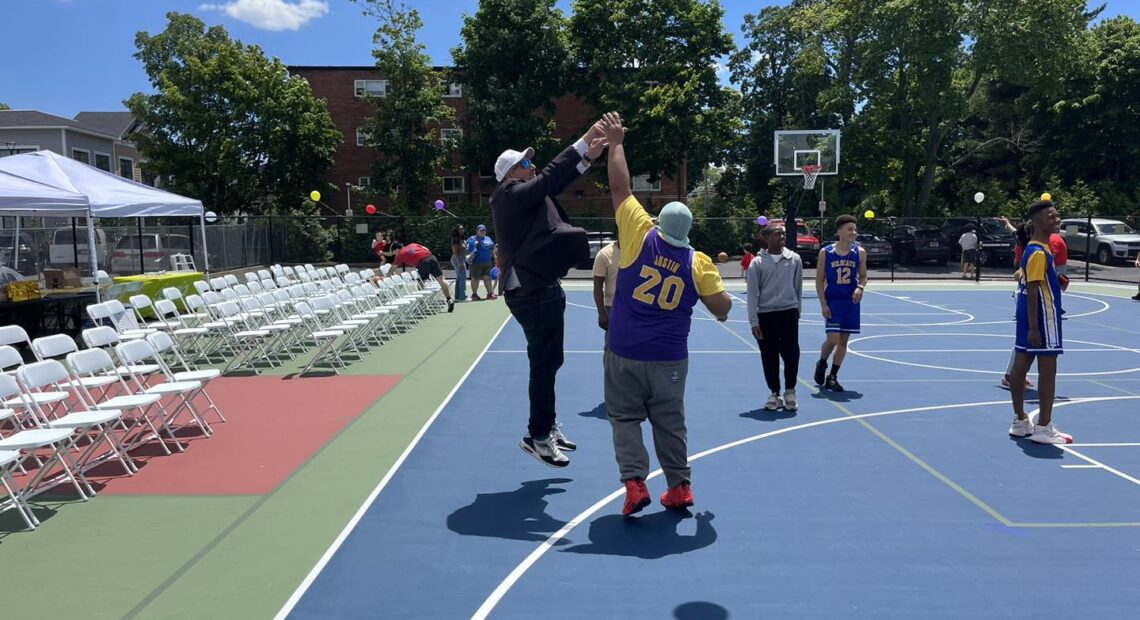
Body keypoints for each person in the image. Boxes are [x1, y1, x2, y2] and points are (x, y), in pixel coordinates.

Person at [600, 112, 731, 516]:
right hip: (670, 357)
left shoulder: (639, 233)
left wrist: (617, 142)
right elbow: (723, 310)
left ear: (659, 223)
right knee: (670, 422)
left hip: (624, 350)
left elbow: (620, 185)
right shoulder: (698, 261)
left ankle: (635, 481)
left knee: (624, 418)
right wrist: (707, 287)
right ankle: (680, 487)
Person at [491, 120, 606, 467]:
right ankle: (538, 436)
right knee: (544, 363)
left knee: (550, 362)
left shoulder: (523, 198)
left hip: (541, 286)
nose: (533, 167)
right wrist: (583, 142)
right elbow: (553, 175)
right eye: (526, 164)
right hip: (532, 291)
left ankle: (545, 426)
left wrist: (586, 161)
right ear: (510, 174)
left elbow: (558, 179)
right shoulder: (508, 196)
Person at [1008, 199, 1071, 444]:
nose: (1055, 219)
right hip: (1043, 318)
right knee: (1047, 370)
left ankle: (1021, 421)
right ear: (1035, 223)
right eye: (1050, 217)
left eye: (1056, 215)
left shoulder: (1034, 251)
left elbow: (1025, 278)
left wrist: (1054, 279)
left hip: (1028, 316)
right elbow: (1033, 289)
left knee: (1020, 363)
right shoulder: (1038, 252)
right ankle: (1044, 427)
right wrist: (1035, 327)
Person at [746, 223, 803, 411]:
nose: (782, 236)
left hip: (788, 313)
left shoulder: (794, 259)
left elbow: (798, 288)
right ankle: (774, 393)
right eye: (777, 233)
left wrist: (796, 312)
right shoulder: (757, 263)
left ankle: (790, 391)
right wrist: (754, 321)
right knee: (769, 355)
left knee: (791, 353)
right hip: (766, 315)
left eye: (783, 234)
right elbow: (753, 294)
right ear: (766, 237)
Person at [814, 214, 867, 392]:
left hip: (850, 302)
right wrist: (823, 304)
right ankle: (822, 363)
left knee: (843, 340)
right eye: (850, 229)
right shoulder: (826, 252)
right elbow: (819, 280)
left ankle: (833, 376)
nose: (854, 232)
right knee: (833, 339)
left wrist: (860, 287)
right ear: (840, 231)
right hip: (833, 301)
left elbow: (864, 275)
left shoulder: (859, 252)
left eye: (855, 229)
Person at [1001, 222, 1034, 389]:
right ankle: (1011, 374)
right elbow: (1018, 274)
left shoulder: (1032, 244)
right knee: (1026, 339)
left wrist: (1007, 224)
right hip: (1027, 297)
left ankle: (1017, 373)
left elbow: (1016, 232)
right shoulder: (1032, 249)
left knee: (1030, 341)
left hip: (1027, 295)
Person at [393, 242, 455, 312]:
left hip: (423, 262)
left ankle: (422, 304)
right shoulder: (412, 244)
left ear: (397, 250)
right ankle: (449, 299)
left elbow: (393, 268)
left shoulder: (400, 254)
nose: (395, 254)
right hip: (432, 257)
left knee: (420, 283)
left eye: (394, 252)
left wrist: (388, 275)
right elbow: (426, 249)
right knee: (441, 280)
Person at [592, 239, 620, 348]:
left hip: (633, 307)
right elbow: (597, 284)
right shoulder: (605, 254)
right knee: (611, 347)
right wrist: (601, 313)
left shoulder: (639, 250)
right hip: (612, 308)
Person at [466, 224, 496, 300]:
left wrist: (495, 258)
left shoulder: (488, 238)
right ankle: (474, 295)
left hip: (487, 263)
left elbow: (492, 249)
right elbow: (468, 250)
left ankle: (490, 294)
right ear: (477, 231)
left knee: (488, 278)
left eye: (484, 230)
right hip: (476, 263)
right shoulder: (472, 239)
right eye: (481, 230)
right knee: (475, 279)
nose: (482, 231)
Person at [449, 225, 468, 302]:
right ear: (456, 230)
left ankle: (458, 296)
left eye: (463, 229)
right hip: (457, 259)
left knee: (460, 278)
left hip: (461, 259)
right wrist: (459, 262)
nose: (462, 230)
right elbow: (455, 252)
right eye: (460, 229)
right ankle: (462, 297)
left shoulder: (461, 239)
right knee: (463, 277)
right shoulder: (455, 239)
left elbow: (464, 250)